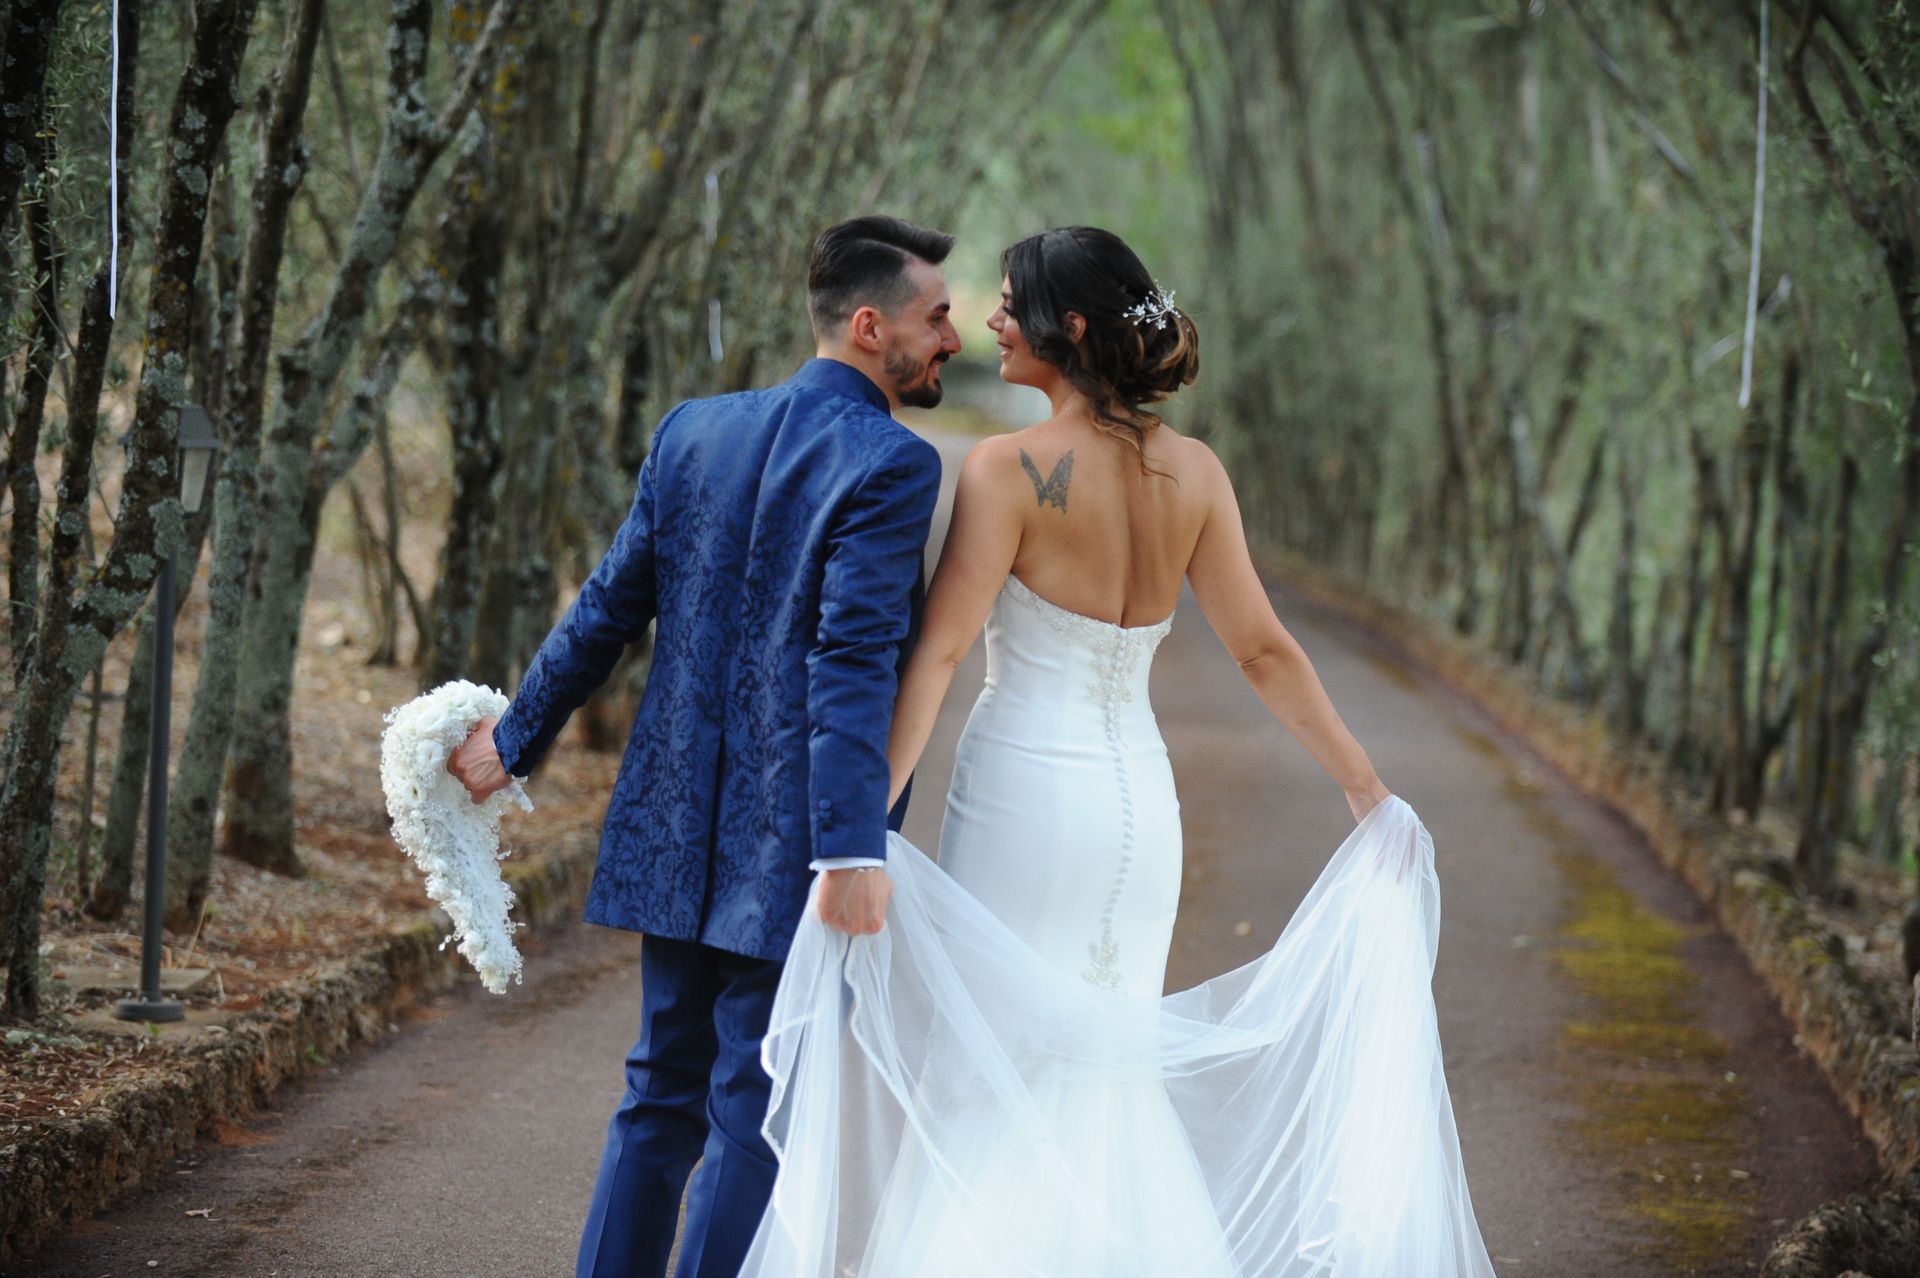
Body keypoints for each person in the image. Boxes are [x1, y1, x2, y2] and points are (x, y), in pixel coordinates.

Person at [734, 227, 1501, 1276]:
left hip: (1026, 804)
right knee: (1105, 1081)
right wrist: (1367, 790)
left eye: (1009, 305)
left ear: (1072, 327)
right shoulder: (1194, 474)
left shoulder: (1012, 469)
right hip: (1140, 815)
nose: (991, 324)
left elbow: (943, 651)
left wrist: (861, 829)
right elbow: (1264, 651)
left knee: (1002, 1074)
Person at [446, 214, 961, 1278]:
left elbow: (606, 607)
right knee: (751, 1108)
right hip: (797, 846)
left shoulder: (695, 430)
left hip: (671, 824)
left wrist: (518, 738)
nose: (953, 337)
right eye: (937, 317)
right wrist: (851, 849)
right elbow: (852, 661)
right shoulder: (893, 464)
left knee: (657, 1094)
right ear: (871, 327)